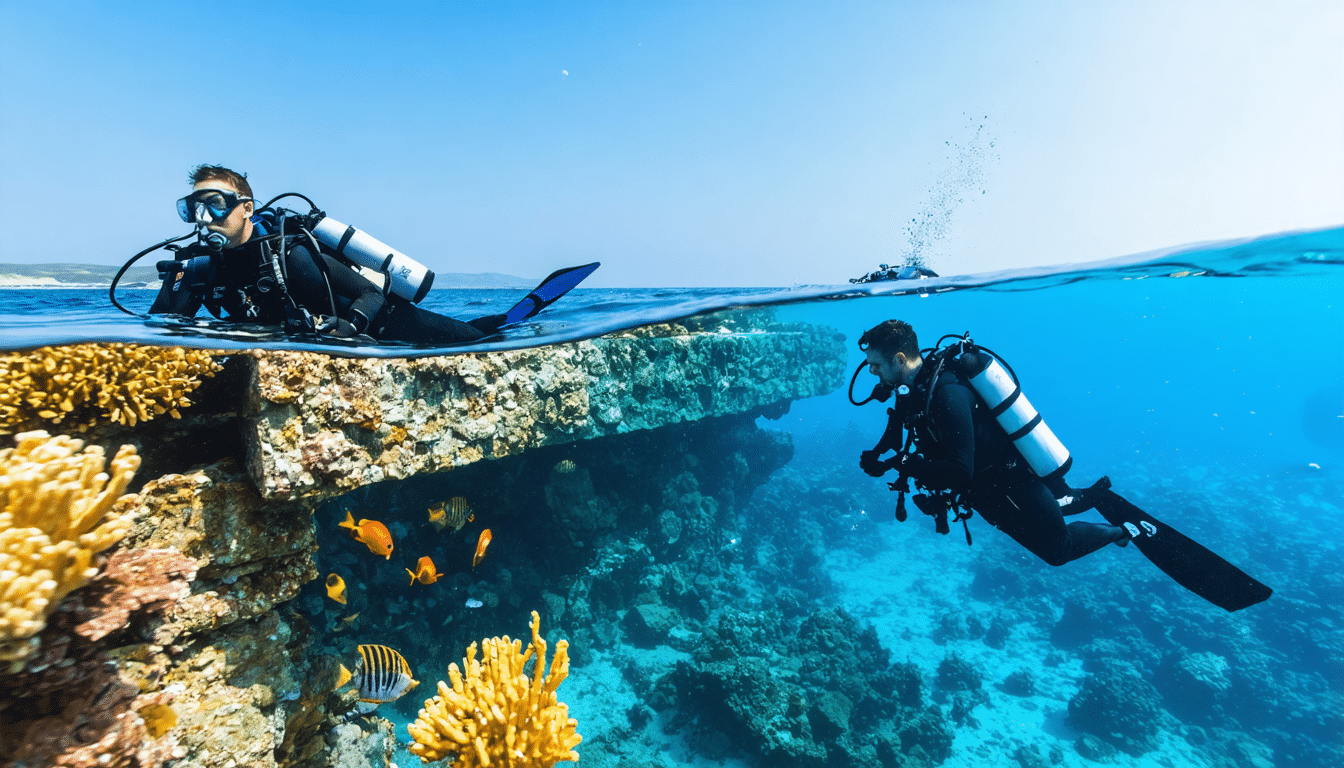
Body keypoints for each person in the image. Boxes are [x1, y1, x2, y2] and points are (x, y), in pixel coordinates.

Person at [856, 319, 1132, 565]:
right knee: (1058, 514)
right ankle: (1094, 494)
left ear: (900, 359)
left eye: (876, 365)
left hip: (1012, 481)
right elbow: (896, 431)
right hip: (986, 493)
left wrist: (904, 463)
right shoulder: (912, 390)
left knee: (1059, 549)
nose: (871, 372)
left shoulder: (946, 394)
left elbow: (959, 470)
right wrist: (878, 455)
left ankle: (1124, 530)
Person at [150, 165, 504, 343]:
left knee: (477, 340)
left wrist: (350, 327)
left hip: (385, 324)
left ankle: (501, 322)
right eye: (194, 209)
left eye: (215, 205)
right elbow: (160, 332)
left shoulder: (287, 254)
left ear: (246, 208)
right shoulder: (198, 270)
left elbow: (371, 292)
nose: (206, 219)